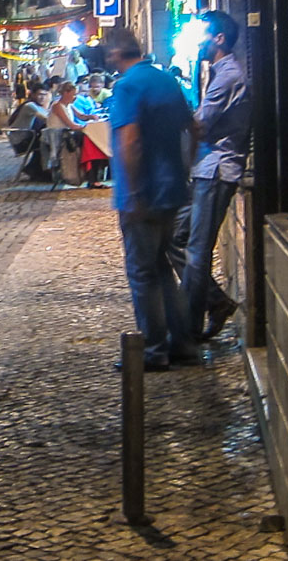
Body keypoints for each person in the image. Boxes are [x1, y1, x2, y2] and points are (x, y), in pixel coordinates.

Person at [105, 27, 197, 372]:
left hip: (144, 193)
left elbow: (129, 141)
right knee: (163, 270)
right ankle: (184, 345)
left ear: (117, 53)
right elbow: (193, 127)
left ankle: (154, 350)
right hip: (173, 188)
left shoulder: (127, 86)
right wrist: (184, 170)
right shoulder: (167, 81)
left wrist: (133, 192)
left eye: (110, 54)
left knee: (143, 273)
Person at [180, 10, 251, 341]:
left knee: (196, 251)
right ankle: (216, 301)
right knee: (175, 238)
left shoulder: (227, 77)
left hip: (217, 170)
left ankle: (187, 331)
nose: (200, 42)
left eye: (204, 35)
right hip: (205, 169)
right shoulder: (217, 74)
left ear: (219, 39)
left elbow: (202, 122)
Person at [8, 85, 53, 182]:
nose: (42, 97)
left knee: (47, 138)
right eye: (40, 94)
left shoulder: (37, 106)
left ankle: (34, 170)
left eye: (45, 95)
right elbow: (46, 119)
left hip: (29, 138)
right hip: (21, 141)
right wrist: (49, 102)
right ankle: (45, 170)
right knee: (47, 141)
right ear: (32, 95)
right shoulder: (30, 106)